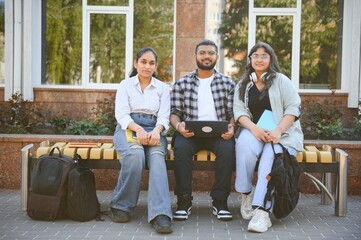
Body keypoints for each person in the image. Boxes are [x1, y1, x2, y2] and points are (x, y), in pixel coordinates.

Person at [233, 42, 303, 233]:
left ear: (271, 59)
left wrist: (279, 130)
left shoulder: (282, 80)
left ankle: (262, 210)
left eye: (264, 55)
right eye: (255, 55)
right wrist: (254, 129)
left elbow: (293, 108)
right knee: (244, 145)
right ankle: (246, 194)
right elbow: (239, 111)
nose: (259, 59)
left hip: (283, 134)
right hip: (255, 130)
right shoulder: (243, 84)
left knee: (269, 157)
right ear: (250, 60)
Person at [170, 39, 236, 221]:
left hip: (220, 134)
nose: (206, 56)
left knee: (228, 149)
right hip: (189, 133)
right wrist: (178, 126)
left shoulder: (228, 83)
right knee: (181, 149)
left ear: (217, 56)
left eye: (211, 53)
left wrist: (232, 127)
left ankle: (220, 201)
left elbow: (233, 113)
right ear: (196, 56)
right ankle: (184, 201)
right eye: (202, 53)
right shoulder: (182, 84)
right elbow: (174, 113)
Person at [109, 47, 173, 234]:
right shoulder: (125, 85)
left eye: (151, 63)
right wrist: (138, 129)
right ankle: (121, 205)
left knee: (157, 160)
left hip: (154, 129)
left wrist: (156, 131)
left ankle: (160, 214)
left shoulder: (162, 88)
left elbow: (164, 116)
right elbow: (121, 115)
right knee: (135, 155)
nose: (147, 66)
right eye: (143, 62)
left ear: (156, 66)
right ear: (136, 64)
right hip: (129, 127)